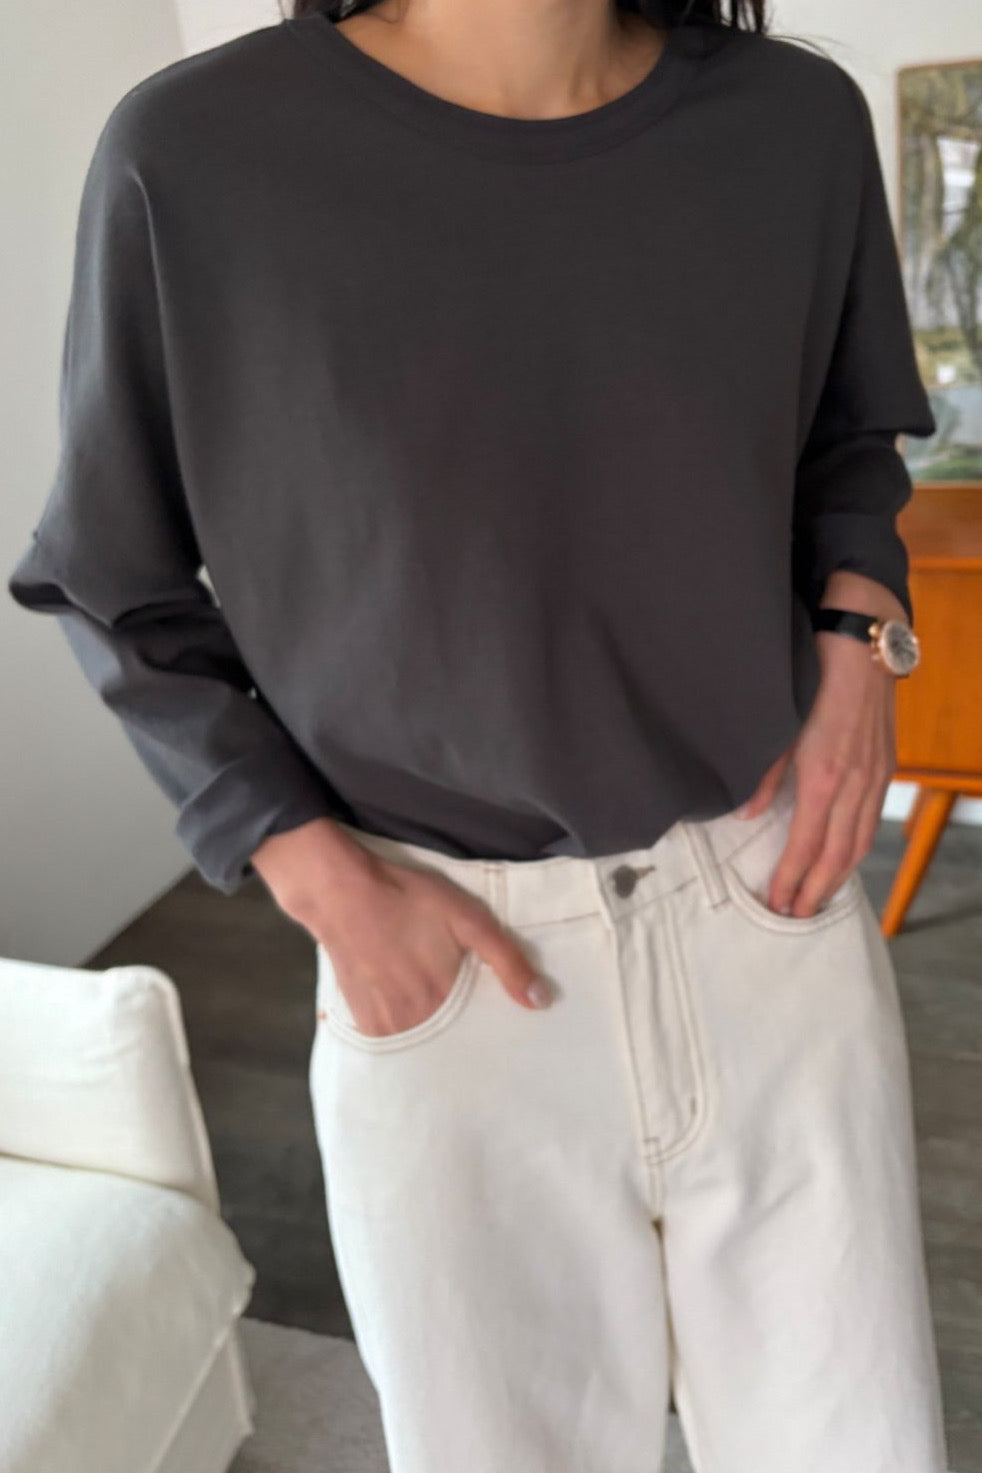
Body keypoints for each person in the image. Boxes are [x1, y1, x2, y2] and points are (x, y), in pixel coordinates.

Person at [8, 0, 950, 1468]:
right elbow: (110, 577)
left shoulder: (791, 122)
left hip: (767, 909)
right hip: (445, 965)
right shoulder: (191, 157)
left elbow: (847, 439)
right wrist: (316, 874)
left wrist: (859, 643)